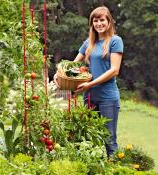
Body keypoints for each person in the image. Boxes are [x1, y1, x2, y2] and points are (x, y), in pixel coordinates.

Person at [54, 6, 124, 157]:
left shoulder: (115, 41)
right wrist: (59, 73)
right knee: (88, 138)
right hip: (90, 97)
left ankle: (115, 170)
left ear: (109, 21)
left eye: (102, 20)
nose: (99, 24)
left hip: (108, 97)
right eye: (96, 21)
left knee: (109, 139)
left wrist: (90, 84)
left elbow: (114, 70)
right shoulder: (88, 43)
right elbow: (71, 65)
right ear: (92, 23)